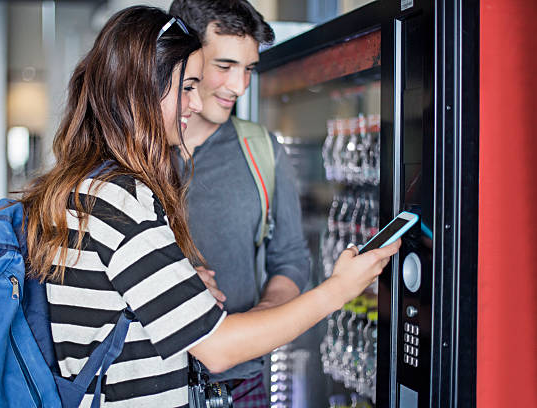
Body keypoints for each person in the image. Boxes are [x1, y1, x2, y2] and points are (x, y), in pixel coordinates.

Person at [20, 5, 399, 407]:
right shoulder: (121, 199)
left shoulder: (90, 185)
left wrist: (183, 287)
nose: (200, 101)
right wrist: (339, 289)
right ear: (145, 86)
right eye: (188, 85)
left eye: (249, 69)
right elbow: (216, 347)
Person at [168, 0, 310, 402]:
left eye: (248, 69)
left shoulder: (261, 150)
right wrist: (174, 285)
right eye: (225, 66)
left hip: (242, 382)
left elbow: (292, 258)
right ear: (185, 58)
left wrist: (262, 316)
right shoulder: (130, 155)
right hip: (152, 384)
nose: (240, 86)